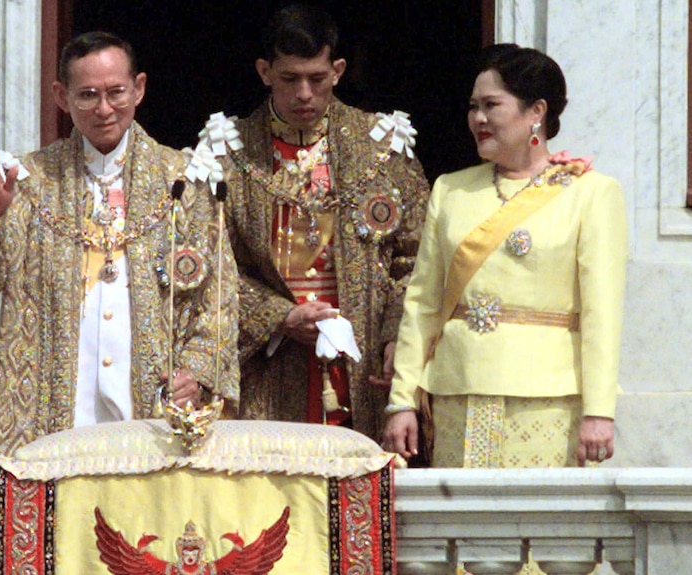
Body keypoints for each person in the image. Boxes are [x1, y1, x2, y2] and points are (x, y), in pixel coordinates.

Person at [0, 31, 240, 467]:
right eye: (88, 95)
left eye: (116, 92)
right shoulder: (30, 182)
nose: (104, 109)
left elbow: (219, 301)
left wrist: (194, 373)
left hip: (153, 409)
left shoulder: (183, 180)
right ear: (62, 97)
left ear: (138, 88)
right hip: (48, 413)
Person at [383, 43, 628, 468]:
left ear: (536, 112)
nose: (478, 118)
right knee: (459, 531)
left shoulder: (591, 193)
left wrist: (599, 411)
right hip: (456, 392)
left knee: (536, 530)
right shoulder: (451, 189)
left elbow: (601, 313)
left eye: (492, 105)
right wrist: (402, 400)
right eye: (473, 106)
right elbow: (422, 303)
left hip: (547, 400)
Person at [199, 3, 429, 443]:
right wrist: (280, 316)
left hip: (363, 357)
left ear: (338, 70)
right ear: (265, 71)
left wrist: (395, 337)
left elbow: (417, 259)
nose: (304, 93)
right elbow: (213, 267)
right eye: (290, 79)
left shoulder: (382, 146)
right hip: (271, 362)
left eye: (317, 78)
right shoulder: (226, 154)